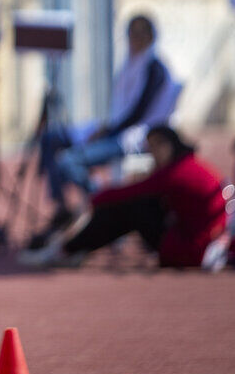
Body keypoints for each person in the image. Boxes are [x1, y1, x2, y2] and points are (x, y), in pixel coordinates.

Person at [28, 13, 178, 245]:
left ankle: (105, 201)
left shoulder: (155, 69)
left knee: (68, 162)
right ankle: (62, 208)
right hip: (113, 129)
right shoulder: (130, 63)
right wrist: (103, 128)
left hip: (132, 137)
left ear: (150, 37)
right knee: (50, 139)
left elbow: (138, 114)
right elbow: (120, 108)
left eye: (139, 35)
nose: (133, 40)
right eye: (130, 35)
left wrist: (107, 131)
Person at [19, 126, 228, 269]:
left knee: (132, 208)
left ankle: (67, 250)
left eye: (153, 148)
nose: (151, 154)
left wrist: (96, 198)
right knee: (134, 207)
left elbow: (133, 192)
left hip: (190, 248)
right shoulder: (190, 165)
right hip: (199, 238)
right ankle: (72, 249)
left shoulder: (174, 173)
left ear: (167, 145)